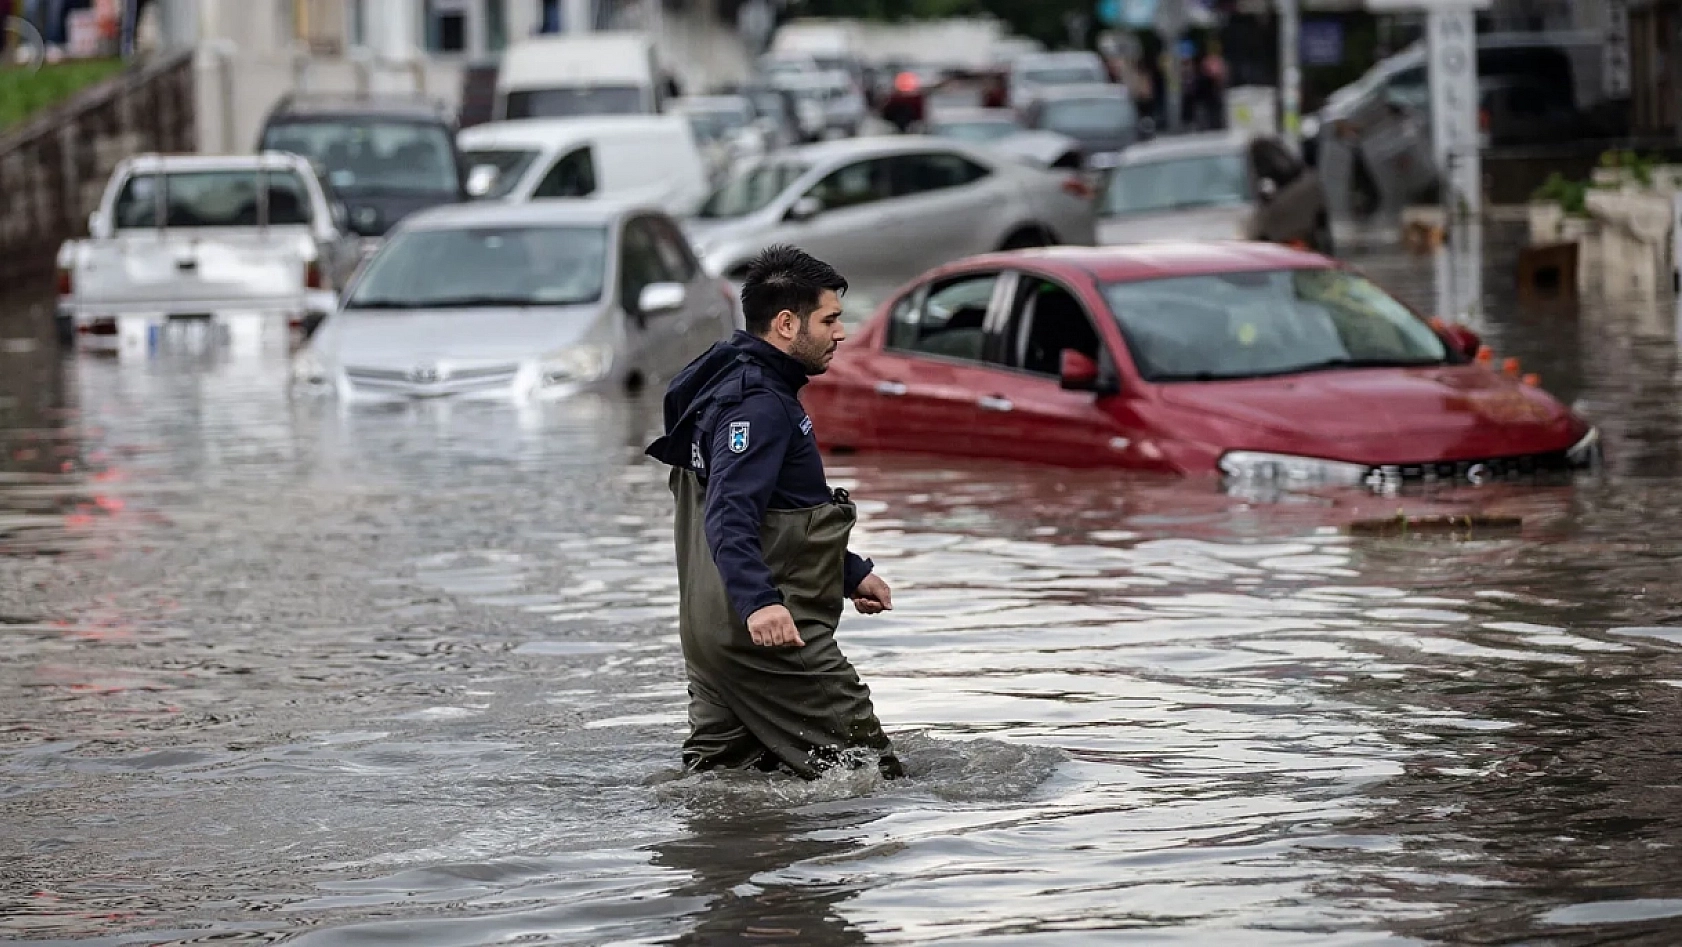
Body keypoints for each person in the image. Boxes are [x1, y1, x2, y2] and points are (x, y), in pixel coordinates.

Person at [645, 245, 902, 781]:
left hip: (711, 630)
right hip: (767, 634)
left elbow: (780, 509)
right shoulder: (757, 405)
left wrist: (849, 571)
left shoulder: (719, 381)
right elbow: (729, 513)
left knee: (719, 788)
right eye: (830, 319)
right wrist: (760, 604)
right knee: (871, 777)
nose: (841, 333)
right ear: (787, 324)